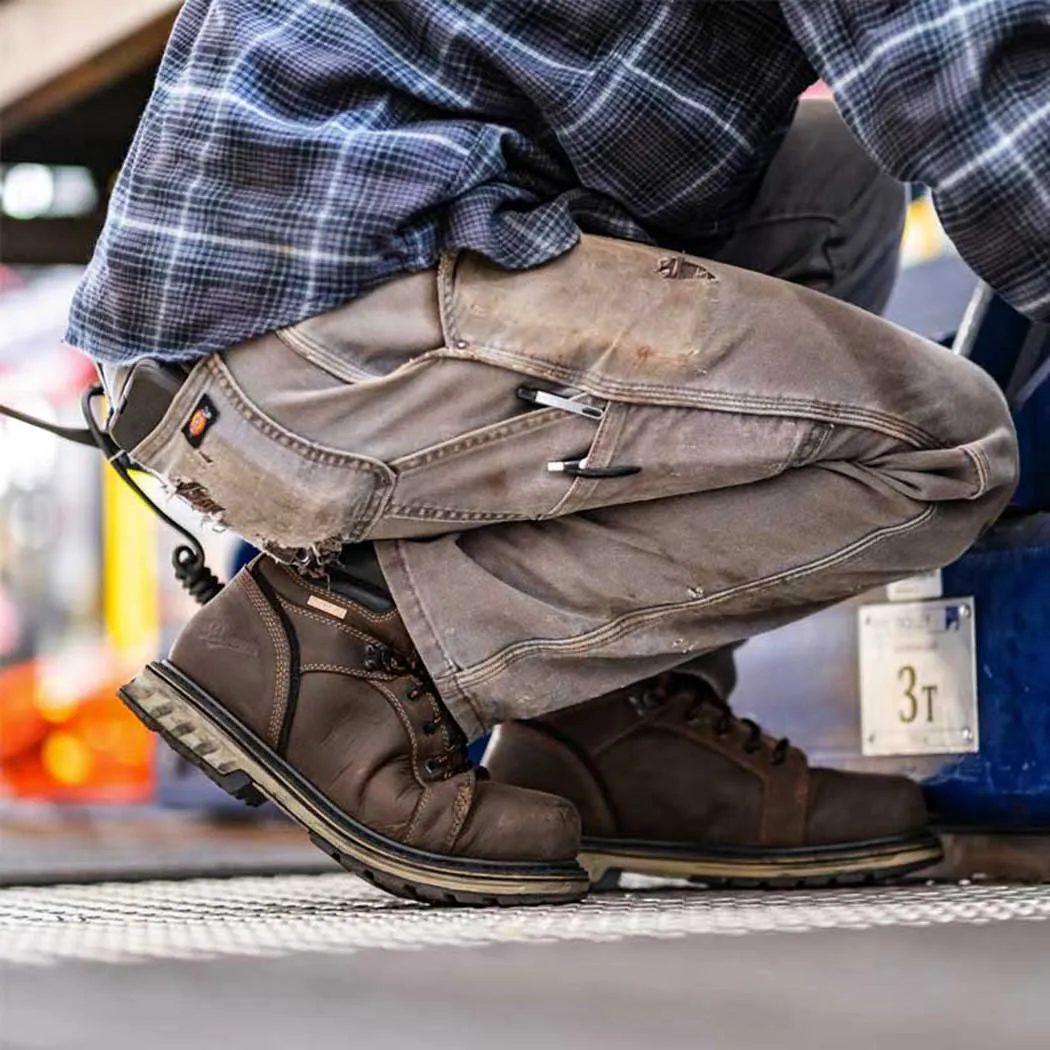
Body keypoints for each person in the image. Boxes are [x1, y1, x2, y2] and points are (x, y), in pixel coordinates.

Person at [68, 1, 1040, 905]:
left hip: (284, 289)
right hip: (316, 334)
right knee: (946, 447)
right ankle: (346, 639)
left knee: (833, 181)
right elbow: (973, 95)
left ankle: (614, 721)